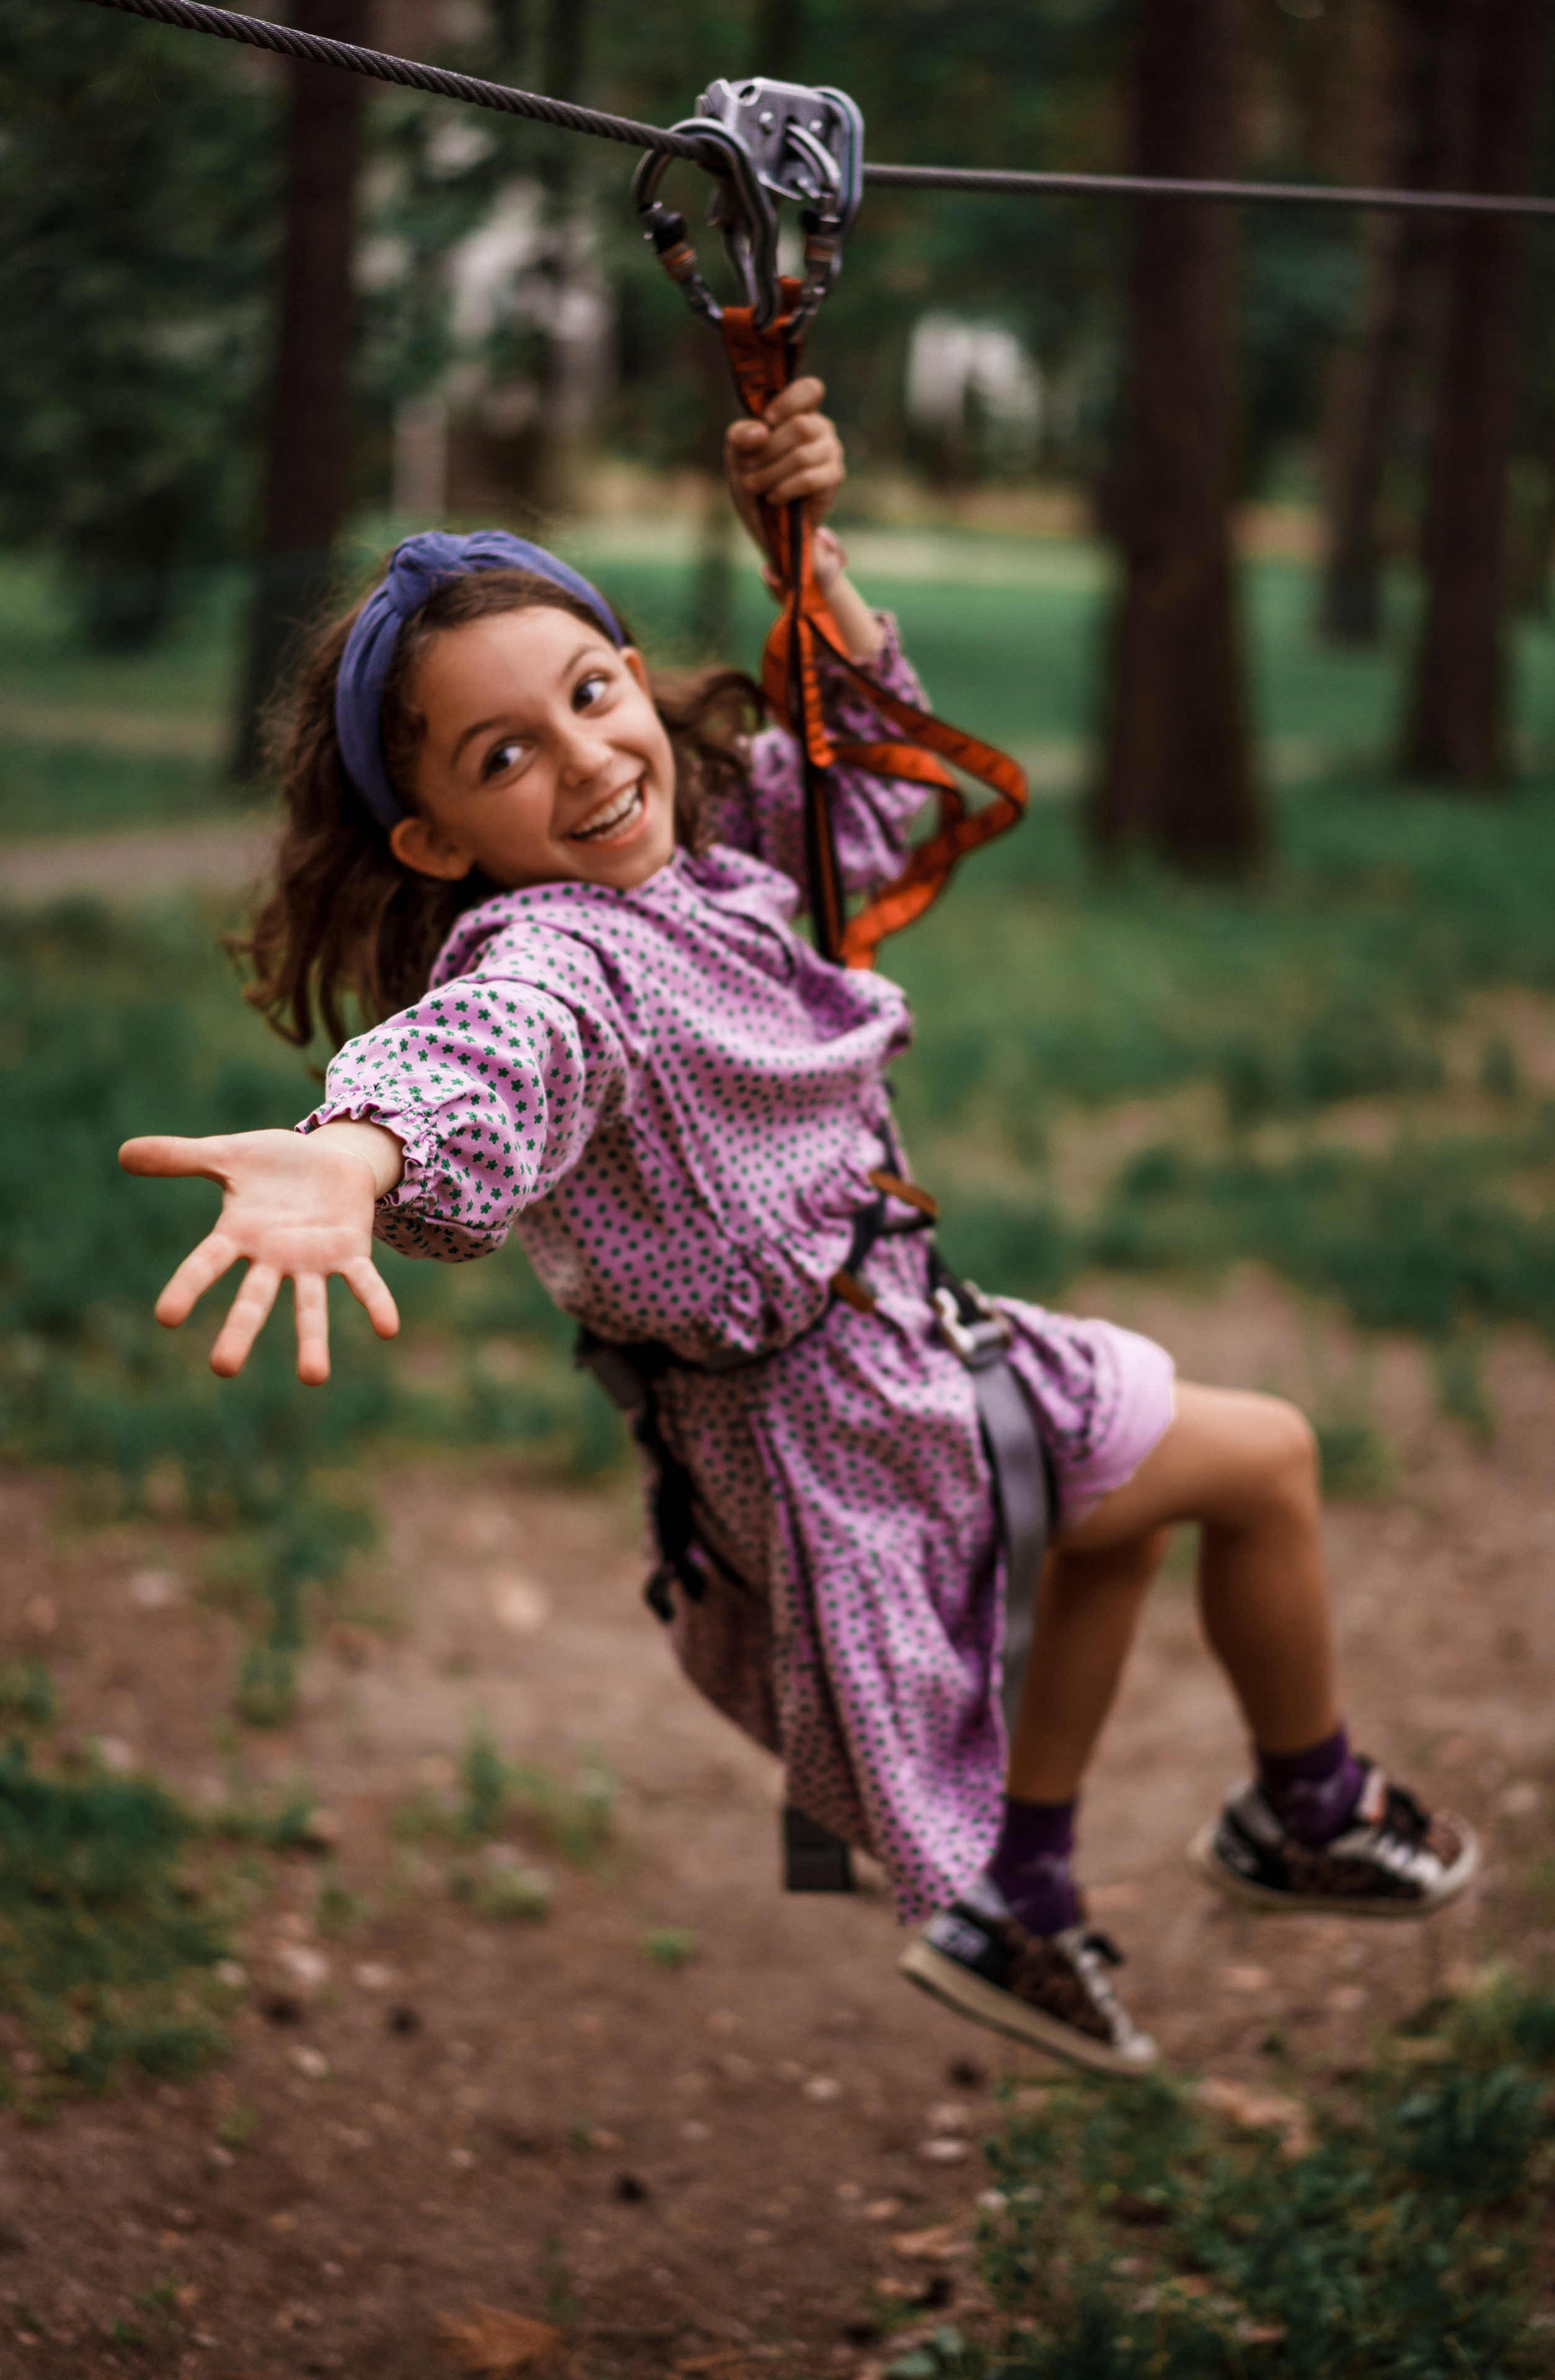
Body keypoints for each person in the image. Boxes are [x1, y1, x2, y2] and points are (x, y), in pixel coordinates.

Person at [120, 381, 1477, 2076]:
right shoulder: (567, 955)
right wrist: (362, 1146)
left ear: (631, 677)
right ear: (434, 840)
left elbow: (862, 791)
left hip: (893, 1354)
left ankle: (1024, 1903)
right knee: (1264, 1454)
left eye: (590, 692)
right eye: (504, 757)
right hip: (843, 1425)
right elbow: (492, 1050)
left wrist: (804, 550)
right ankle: (1310, 1813)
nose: (588, 759)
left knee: (1120, 1524)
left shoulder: (695, 861)